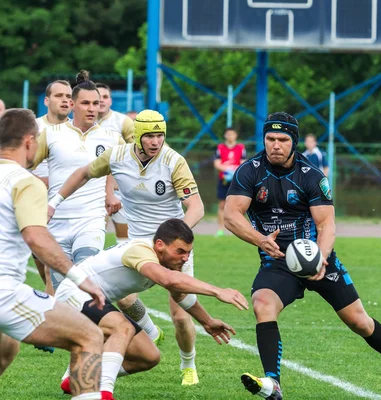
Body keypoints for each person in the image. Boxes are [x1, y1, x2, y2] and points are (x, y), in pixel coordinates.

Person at [225, 112, 381, 400]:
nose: (275, 145)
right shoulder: (250, 171)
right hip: (277, 260)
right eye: (270, 139)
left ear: (294, 142)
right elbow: (231, 215)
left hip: (317, 256)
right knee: (262, 304)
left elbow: (326, 224)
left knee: (360, 322)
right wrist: (260, 240)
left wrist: (320, 257)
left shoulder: (311, 176)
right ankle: (273, 383)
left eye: (283, 140)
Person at [52, 109, 207, 386]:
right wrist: (55, 202)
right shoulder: (118, 155)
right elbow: (84, 173)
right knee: (122, 298)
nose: (156, 141)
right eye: (150, 135)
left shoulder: (174, 162)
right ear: (137, 136)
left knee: (181, 315)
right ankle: (148, 330)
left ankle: (188, 365)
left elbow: (196, 206)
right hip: (137, 243)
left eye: (160, 135)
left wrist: (178, 237)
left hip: (171, 246)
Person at [55, 219, 248, 399]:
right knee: (123, 328)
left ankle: (79, 379)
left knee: (149, 356)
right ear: (160, 245)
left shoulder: (168, 262)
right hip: (73, 293)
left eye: (188, 252)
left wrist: (207, 321)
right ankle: (103, 393)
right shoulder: (141, 250)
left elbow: (179, 294)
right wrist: (217, 291)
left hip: (95, 300)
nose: (185, 258)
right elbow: (168, 280)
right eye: (180, 251)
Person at [0, 108, 105, 399]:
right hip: (4, 292)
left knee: (6, 346)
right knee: (90, 336)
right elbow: (36, 236)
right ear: (29, 141)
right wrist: (78, 276)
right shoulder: (25, 181)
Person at [30, 70, 124, 293]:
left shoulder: (112, 138)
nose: (92, 108)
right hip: (56, 221)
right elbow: (25, 165)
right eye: (85, 103)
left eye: (95, 103)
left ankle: (138, 328)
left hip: (90, 220)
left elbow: (130, 164)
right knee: (62, 289)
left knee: (84, 276)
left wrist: (110, 192)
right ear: (72, 104)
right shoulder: (52, 134)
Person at [29, 80, 73, 296]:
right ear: (46, 100)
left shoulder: (78, 131)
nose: (65, 100)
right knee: (43, 267)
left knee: (52, 270)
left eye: (68, 96)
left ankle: (56, 321)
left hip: (65, 210)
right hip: (35, 208)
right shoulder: (34, 129)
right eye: (59, 96)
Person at [96, 83, 135, 245]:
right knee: (95, 233)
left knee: (124, 237)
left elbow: (138, 149)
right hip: (92, 187)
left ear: (110, 101)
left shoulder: (122, 122)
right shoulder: (81, 123)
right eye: (97, 98)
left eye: (105, 97)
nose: (101, 101)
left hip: (118, 187)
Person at [214, 127, 246, 237]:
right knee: (222, 204)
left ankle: (240, 229)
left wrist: (234, 171)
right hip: (223, 180)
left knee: (239, 205)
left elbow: (243, 163)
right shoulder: (220, 147)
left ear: (236, 135)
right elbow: (217, 163)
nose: (230, 136)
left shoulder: (241, 148)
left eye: (232, 134)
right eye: (228, 134)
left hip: (236, 180)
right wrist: (227, 170)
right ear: (225, 135)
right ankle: (220, 229)